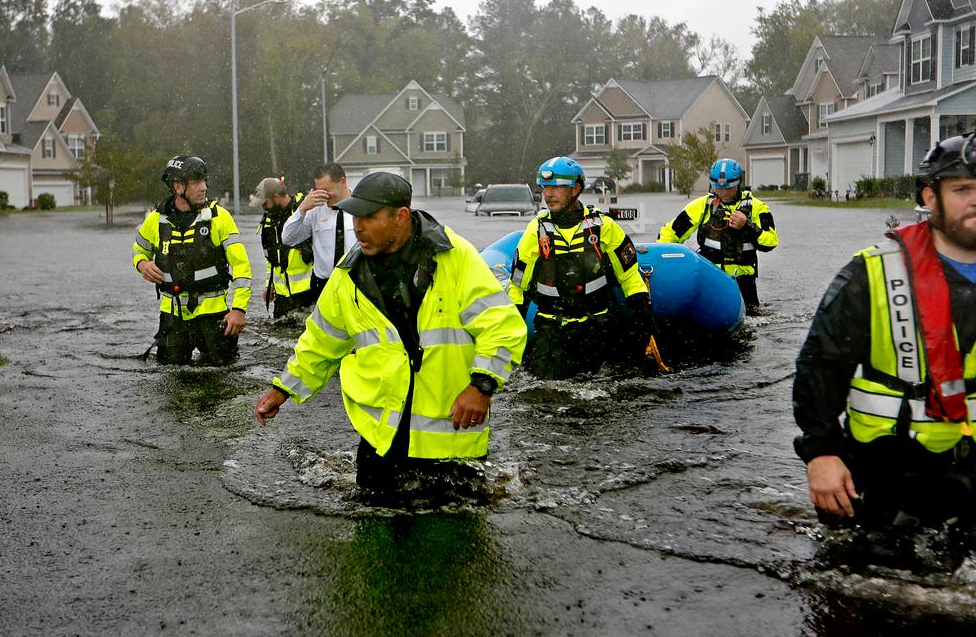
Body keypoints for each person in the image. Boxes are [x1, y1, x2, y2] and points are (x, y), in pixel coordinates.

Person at [794, 132, 976, 572]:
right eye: (962, 189)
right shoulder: (870, 274)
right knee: (876, 578)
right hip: (891, 463)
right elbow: (820, 368)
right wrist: (821, 455)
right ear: (930, 197)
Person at [254, 172, 528, 500]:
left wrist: (481, 386)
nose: (358, 228)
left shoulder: (455, 258)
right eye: (355, 217)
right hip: (382, 438)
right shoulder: (348, 275)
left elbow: (501, 325)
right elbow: (320, 342)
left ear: (400, 217)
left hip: (451, 438)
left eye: (369, 218)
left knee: (455, 541)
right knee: (374, 533)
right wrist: (283, 389)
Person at [509, 156, 666, 379]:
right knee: (544, 389)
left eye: (558, 187)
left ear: (576, 189)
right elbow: (518, 286)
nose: (549, 195)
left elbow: (629, 276)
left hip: (597, 325)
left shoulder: (604, 226)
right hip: (552, 329)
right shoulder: (536, 230)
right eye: (545, 188)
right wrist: (511, 327)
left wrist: (643, 313)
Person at [131, 155, 252, 366]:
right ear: (178, 187)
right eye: (196, 182)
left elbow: (241, 266)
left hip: (214, 317)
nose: (203, 187)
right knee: (171, 377)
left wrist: (239, 310)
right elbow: (139, 250)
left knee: (222, 377)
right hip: (172, 317)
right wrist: (142, 264)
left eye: (204, 180)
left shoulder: (219, 218)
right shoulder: (155, 220)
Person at [657, 158, 778, 315]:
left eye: (729, 189)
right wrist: (660, 257)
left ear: (738, 184)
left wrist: (747, 227)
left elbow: (771, 241)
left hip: (743, 283)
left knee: (753, 318)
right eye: (718, 188)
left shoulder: (757, 207)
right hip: (711, 279)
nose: (724, 193)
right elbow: (671, 233)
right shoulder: (702, 206)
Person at [281, 162, 357, 292]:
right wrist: (302, 209)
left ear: (342, 182)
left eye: (327, 190)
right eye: (319, 190)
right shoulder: (314, 210)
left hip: (355, 282)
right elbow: (288, 238)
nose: (324, 195)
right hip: (323, 285)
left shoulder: (361, 207)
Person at [251, 177, 315, 318]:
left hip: (309, 294)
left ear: (276, 197)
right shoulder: (268, 221)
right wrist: (270, 285)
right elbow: (270, 259)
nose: (263, 207)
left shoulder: (303, 212)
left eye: (265, 203)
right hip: (282, 298)